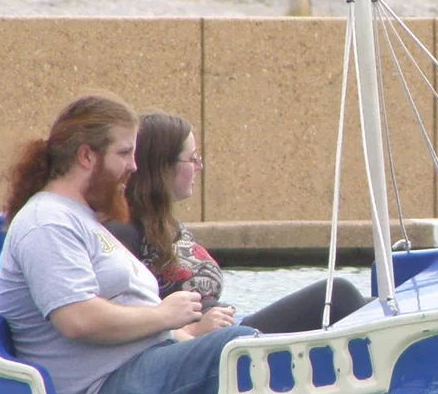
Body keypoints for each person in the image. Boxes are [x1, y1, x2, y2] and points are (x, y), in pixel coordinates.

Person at [0, 93, 258, 394]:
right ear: (86, 155)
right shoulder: (47, 222)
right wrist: (164, 315)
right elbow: (77, 319)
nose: (134, 166)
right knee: (238, 348)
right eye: (123, 153)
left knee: (254, 340)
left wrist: (180, 332)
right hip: (101, 393)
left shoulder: (80, 217)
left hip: (140, 369)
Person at [106, 110, 368, 335]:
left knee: (371, 303)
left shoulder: (165, 223)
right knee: (338, 295)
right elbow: (114, 316)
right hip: (208, 350)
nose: (199, 167)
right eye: (192, 159)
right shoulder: (123, 231)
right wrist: (189, 331)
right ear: (162, 166)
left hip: (229, 328)